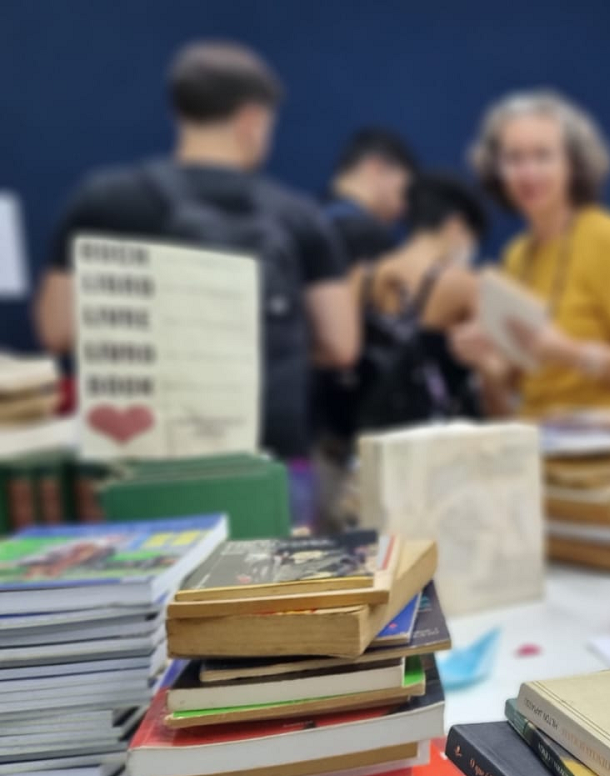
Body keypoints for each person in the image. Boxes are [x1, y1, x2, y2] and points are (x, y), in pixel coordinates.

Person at [33, 40, 358, 459]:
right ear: (251, 119)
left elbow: (58, 330)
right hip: (270, 447)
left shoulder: (103, 201)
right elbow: (340, 344)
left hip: (146, 448)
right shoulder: (298, 215)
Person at [455, 89, 610, 433]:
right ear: (497, 169)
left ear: (573, 165)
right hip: (543, 449)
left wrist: (570, 353)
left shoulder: (608, 237)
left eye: (543, 156)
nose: (528, 174)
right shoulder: (516, 255)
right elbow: (507, 403)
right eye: (513, 159)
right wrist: (486, 364)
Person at [312, 171, 488, 530]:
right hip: (428, 463)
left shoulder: (362, 274)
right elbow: (493, 373)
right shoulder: (463, 285)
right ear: (456, 225)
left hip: (355, 451)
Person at [324, 127, 418, 264]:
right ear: (376, 167)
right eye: (405, 192)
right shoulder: (368, 237)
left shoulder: (308, 221)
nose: (406, 207)